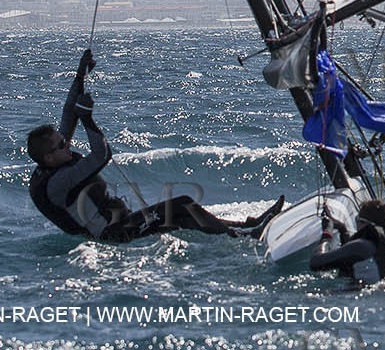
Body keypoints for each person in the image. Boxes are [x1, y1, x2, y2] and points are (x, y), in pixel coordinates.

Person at [27, 49, 283, 243]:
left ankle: (246, 225)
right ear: (48, 158)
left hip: (122, 222)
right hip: (113, 235)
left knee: (183, 215)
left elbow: (68, 113)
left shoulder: (54, 157)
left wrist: (81, 73)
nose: (67, 144)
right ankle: (245, 235)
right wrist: (88, 119)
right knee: (181, 205)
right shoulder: (58, 182)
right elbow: (101, 154)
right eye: (61, 145)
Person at [309, 198, 385, 281]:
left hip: (372, 295)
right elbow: (353, 255)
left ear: (363, 223)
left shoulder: (362, 246)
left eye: (356, 220)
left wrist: (327, 233)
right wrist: (343, 230)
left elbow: (315, 263)